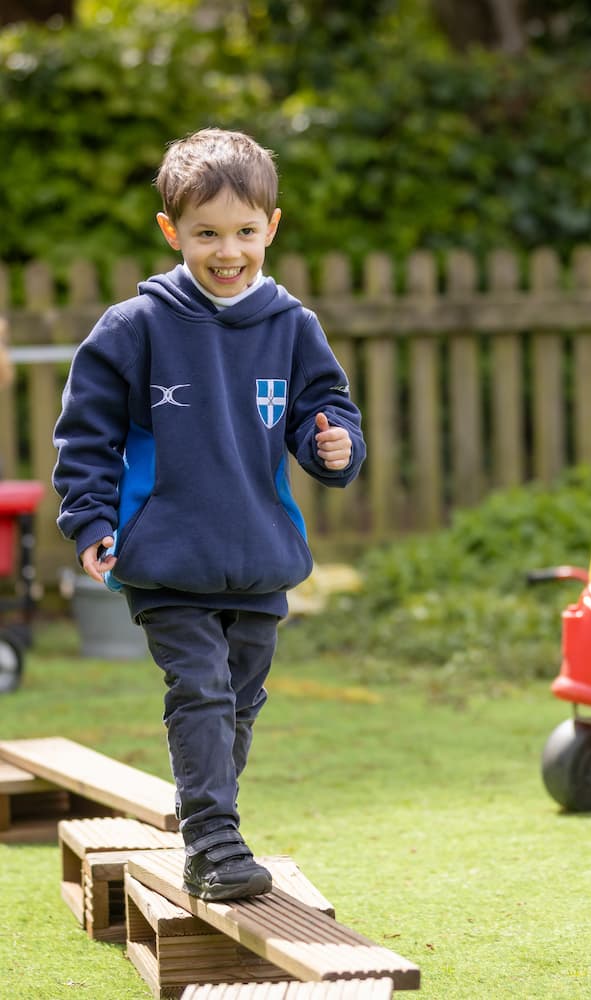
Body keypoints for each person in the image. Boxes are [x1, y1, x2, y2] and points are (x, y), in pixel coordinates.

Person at [53, 128, 366, 897]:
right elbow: (86, 434)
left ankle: (211, 821)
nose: (228, 252)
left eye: (245, 232)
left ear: (272, 228)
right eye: (207, 234)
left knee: (240, 701)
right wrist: (91, 519)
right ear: (172, 231)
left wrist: (334, 446)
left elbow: (324, 412)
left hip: (259, 555)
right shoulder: (134, 327)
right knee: (200, 689)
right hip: (167, 555)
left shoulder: (293, 326)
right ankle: (214, 842)